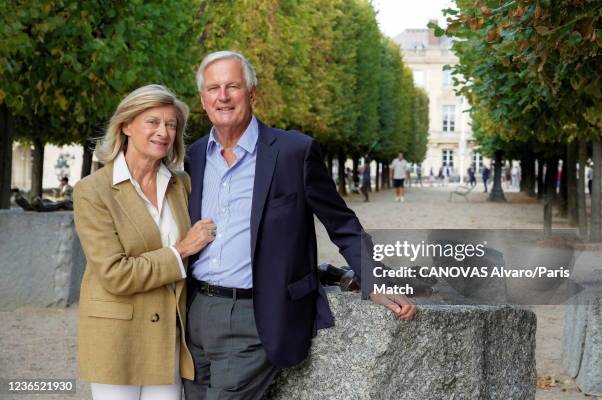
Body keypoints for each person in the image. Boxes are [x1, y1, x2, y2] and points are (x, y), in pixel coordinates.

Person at [183, 51, 416, 400]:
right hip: (194, 313)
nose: (223, 96)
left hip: (257, 316)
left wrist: (374, 278)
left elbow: (341, 223)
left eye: (233, 85)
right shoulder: (192, 157)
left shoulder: (295, 151)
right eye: (213, 88)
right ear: (203, 100)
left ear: (252, 93)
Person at [73, 85, 217, 400]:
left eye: (171, 124)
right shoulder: (92, 191)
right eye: (153, 122)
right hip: (117, 338)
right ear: (125, 125)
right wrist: (180, 250)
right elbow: (115, 273)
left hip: (169, 336)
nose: (163, 132)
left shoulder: (182, 184)